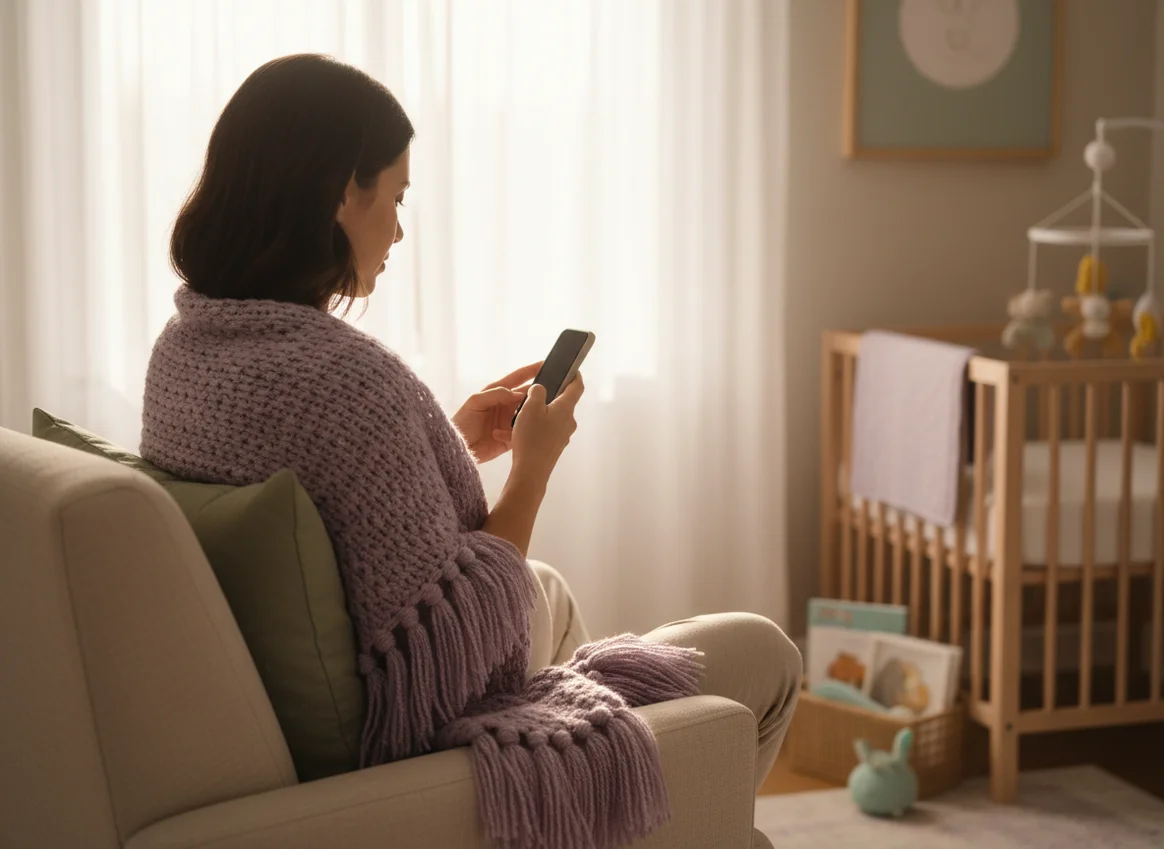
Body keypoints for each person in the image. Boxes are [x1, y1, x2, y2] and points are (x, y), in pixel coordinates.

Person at [141, 53, 801, 849]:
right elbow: (446, 653)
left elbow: (322, 498)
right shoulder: (346, 379)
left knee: (546, 587)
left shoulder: (187, 350)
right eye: (394, 196)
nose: (399, 226)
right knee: (764, 651)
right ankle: (679, 825)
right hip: (404, 749)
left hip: (297, 710)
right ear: (341, 192)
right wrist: (533, 467)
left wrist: (442, 446)